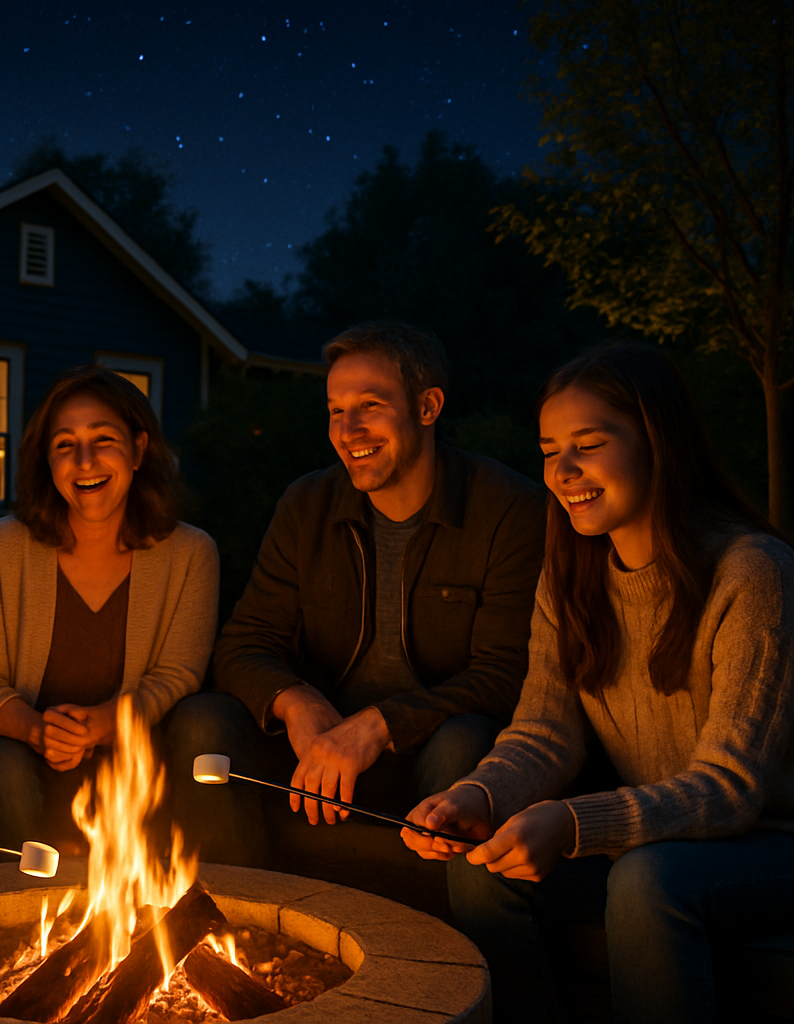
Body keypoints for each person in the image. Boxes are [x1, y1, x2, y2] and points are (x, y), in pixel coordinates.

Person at [402, 342, 794, 1024]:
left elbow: (732, 789)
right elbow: (543, 732)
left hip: (793, 844)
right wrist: (476, 794)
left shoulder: (752, 572)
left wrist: (575, 821)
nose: (564, 471)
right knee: (479, 860)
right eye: (551, 449)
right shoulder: (571, 576)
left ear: (657, 441)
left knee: (647, 880)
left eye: (589, 444)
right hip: (665, 835)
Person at [168, 321, 546, 872]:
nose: (348, 430)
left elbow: (507, 674)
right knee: (203, 721)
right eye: (335, 410)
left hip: (426, 749)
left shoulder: (506, 509)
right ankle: (228, 922)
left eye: (370, 405)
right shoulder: (308, 504)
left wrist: (377, 724)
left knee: (467, 743)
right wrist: (294, 700)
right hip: (313, 751)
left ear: (428, 406)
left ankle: (445, 944)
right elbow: (244, 644)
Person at [0, 365, 218, 849]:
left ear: (139, 449)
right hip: (4, 745)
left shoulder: (189, 554)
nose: (84, 461)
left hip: (124, 748)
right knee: (5, 774)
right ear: (47, 460)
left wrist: (103, 724)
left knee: (141, 777)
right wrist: (40, 733)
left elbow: (177, 675)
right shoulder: (0, 547)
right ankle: (4, 917)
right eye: (64, 445)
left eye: (103, 439)